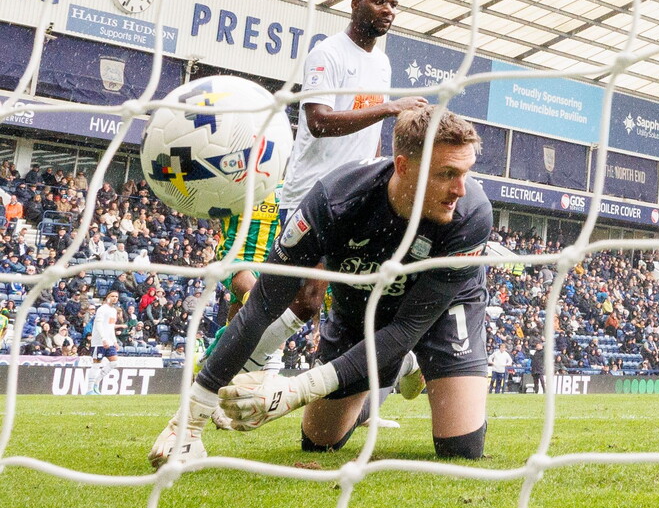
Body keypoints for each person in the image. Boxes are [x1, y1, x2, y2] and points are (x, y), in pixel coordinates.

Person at [150, 106, 493, 467]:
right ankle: (402, 368)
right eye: (447, 174)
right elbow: (262, 305)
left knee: (460, 450)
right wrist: (188, 422)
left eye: (465, 173)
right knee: (320, 441)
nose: (460, 189)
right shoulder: (334, 201)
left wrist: (298, 388)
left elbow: (409, 326)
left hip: (440, 309)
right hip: (364, 301)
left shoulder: (471, 215)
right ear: (404, 166)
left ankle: (409, 364)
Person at [210, 0, 428, 379]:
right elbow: (319, 121)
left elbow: (370, 134)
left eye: (394, 5)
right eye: (380, 2)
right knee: (299, 300)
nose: (389, 11)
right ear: (355, 3)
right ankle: (229, 371)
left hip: (358, 195)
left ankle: (385, 371)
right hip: (312, 195)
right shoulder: (327, 54)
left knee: (358, 295)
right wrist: (389, 108)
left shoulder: (381, 62)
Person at [89, 291, 121, 395]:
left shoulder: (113, 311)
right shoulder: (102, 309)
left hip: (109, 342)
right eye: (112, 296)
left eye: (116, 296)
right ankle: (89, 390)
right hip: (99, 342)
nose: (115, 298)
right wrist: (103, 338)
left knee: (114, 362)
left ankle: (96, 383)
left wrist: (114, 341)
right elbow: (98, 325)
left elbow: (111, 327)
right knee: (96, 365)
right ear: (107, 297)